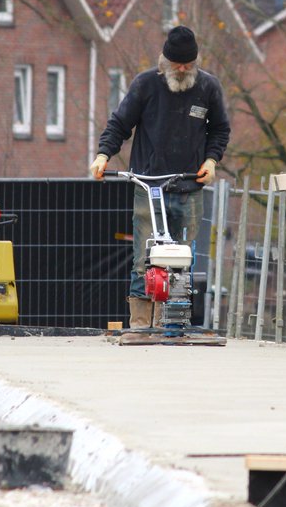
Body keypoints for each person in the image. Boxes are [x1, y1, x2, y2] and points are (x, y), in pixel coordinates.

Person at [89, 25, 231, 329]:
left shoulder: (208, 88)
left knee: (181, 259)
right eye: (177, 64)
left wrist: (211, 160)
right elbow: (119, 124)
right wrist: (103, 154)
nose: (182, 70)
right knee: (144, 256)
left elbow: (220, 129)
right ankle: (141, 324)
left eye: (188, 65)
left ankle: (173, 324)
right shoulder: (145, 85)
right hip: (148, 185)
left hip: (190, 185)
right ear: (164, 61)